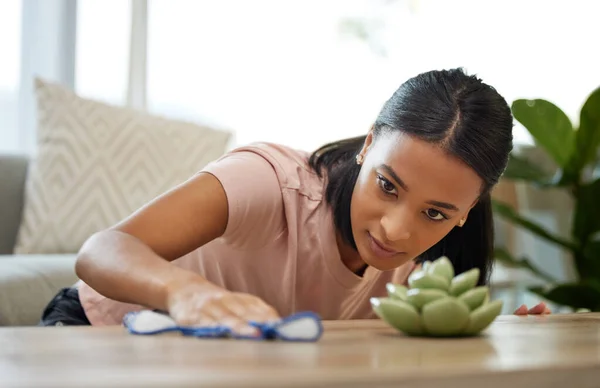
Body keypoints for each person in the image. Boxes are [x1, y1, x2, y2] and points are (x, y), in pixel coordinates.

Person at [39, 68, 550, 332]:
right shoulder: (271, 183)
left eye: (436, 213)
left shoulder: (426, 265)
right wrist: (183, 293)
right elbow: (100, 251)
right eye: (388, 186)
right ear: (369, 144)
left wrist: (500, 340)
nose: (397, 229)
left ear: (466, 212)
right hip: (103, 330)